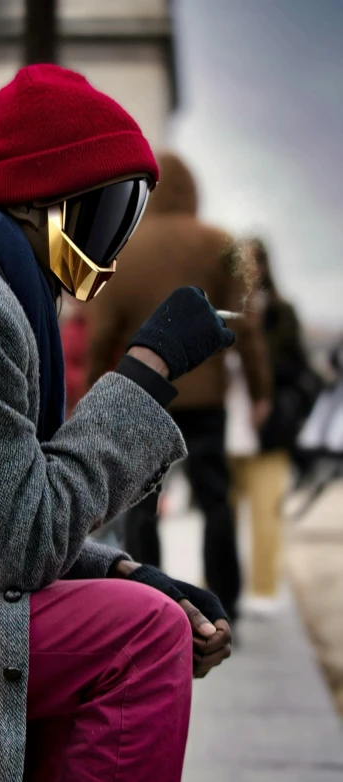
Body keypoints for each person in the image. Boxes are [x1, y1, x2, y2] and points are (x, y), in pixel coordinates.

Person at [0, 65, 236, 782]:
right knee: (144, 635)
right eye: (107, 210)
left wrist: (130, 569)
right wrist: (148, 370)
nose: (115, 241)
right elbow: (16, 544)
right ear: (41, 202)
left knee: (139, 605)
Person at [87, 153, 272, 623]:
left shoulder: (124, 250)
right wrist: (259, 391)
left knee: (141, 508)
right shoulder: (224, 244)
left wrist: (94, 395)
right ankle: (227, 604)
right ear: (193, 191)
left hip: (145, 394)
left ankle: (155, 607)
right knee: (216, 501)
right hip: (207, 396)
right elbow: (246, 328)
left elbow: (101, 333)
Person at [227, 238, 320, 609]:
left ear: (265, 265)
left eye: (255, 261)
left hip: (271, 434)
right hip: (229, 428)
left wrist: (278, 406)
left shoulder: (283, 313)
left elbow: (302, 373)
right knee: (222, 514)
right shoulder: (224, 309)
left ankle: (264, 591)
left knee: (266, 517)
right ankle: (220, 584)